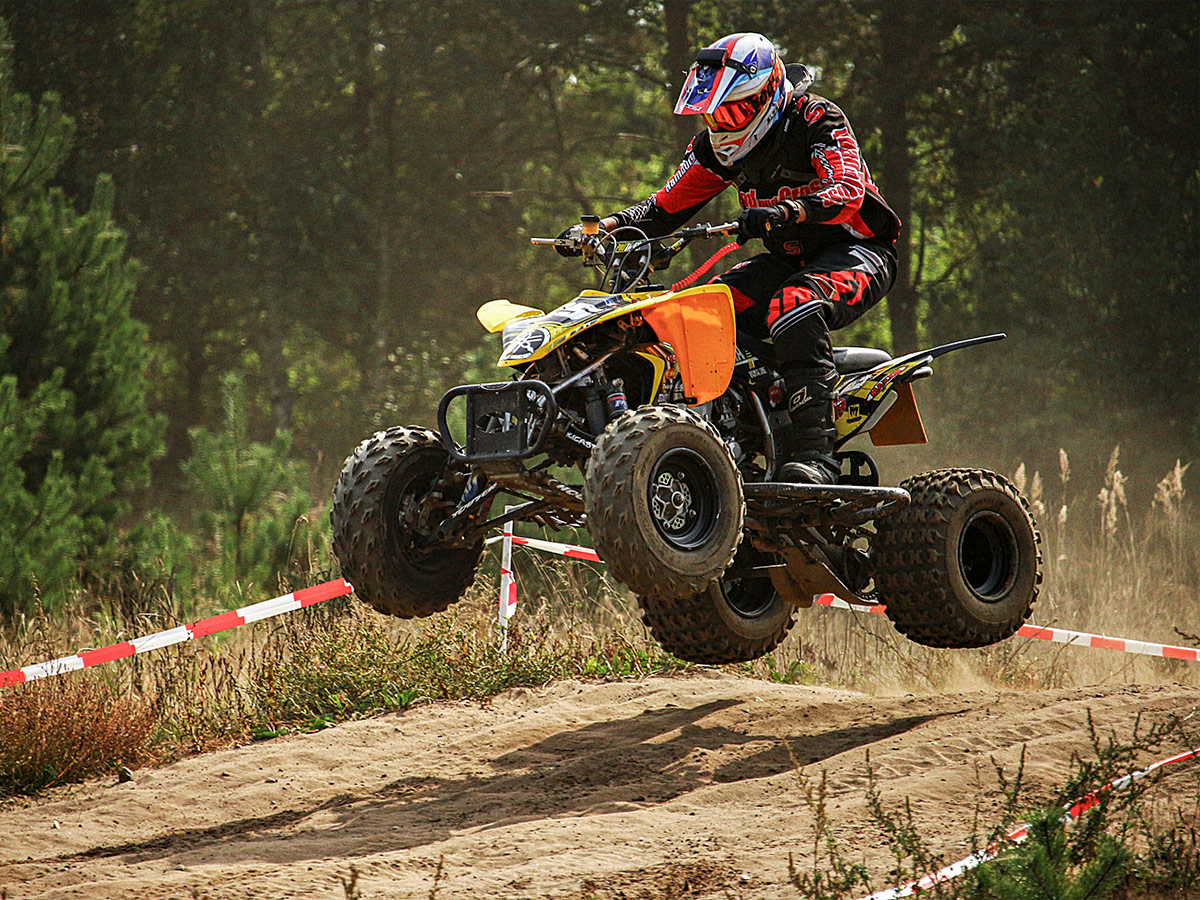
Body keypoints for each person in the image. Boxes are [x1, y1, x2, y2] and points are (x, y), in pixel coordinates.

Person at [560, 32, 900, 484]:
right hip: (789, 261)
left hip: (859, 250)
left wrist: (784, 211)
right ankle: (736, 431)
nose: (723, 125)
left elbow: (848, 191)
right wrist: (604, 228)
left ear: (768, 93)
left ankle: (817, 457)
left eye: (734, 110)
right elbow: (663, 210)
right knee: (705, 309)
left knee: (794, 304)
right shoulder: (713, 149)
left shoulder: (815, 118)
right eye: (713, 114)